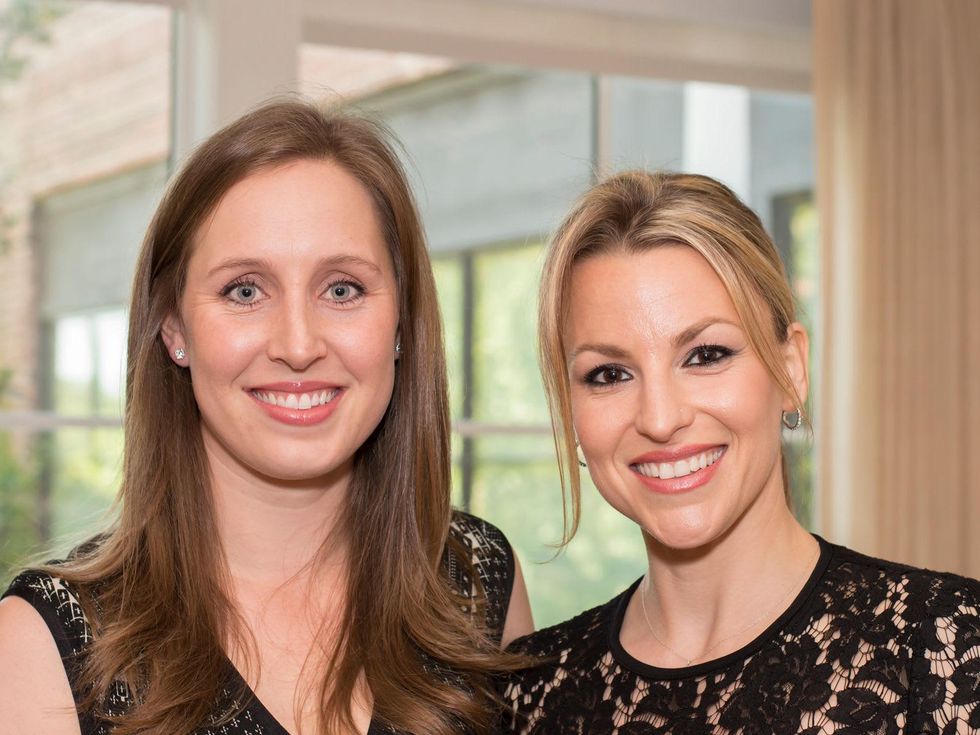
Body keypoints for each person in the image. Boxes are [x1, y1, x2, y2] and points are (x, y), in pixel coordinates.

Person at [0, 99, 532, 735]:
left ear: (400, 324)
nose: (299, 344)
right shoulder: (47, 646)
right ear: (174, 328)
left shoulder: (476, 582)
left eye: (342, 289)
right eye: (245, 291)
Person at [501, 170, 979, 733]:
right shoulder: (528, 694)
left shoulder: (946, 649)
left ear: (791, 369)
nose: (660, 419)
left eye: (705, 355)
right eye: (609, 373)